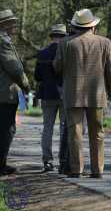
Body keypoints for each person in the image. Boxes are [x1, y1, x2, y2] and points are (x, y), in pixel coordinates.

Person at [53, 8, 111, 179]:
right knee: (97, 132)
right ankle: (97, 170)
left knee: (75, 131)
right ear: (93, 26)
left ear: (75, 26)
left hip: (72, 93)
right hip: (96, 94)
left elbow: (57, 67)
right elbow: (110, 70)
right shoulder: (105, 42)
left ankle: (77, 169)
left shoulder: (65, 43)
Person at [34, 24, 67, 172]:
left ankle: (47, 160)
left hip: (47, 94)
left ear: (52, 36)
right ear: (64, 36)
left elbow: (37, 76)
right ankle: (63, 160)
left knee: (47, 127)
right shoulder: (67, 52)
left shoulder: (42, 53)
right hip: (65, 94)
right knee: (64, 128)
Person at [0, 9, 30, 176]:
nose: (15, 26)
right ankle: (1, 165)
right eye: (12, 23)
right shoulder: (3, 43)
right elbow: (15, 68)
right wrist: (26, 84)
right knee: (7, 130)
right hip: (5, 94)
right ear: (4, 25)